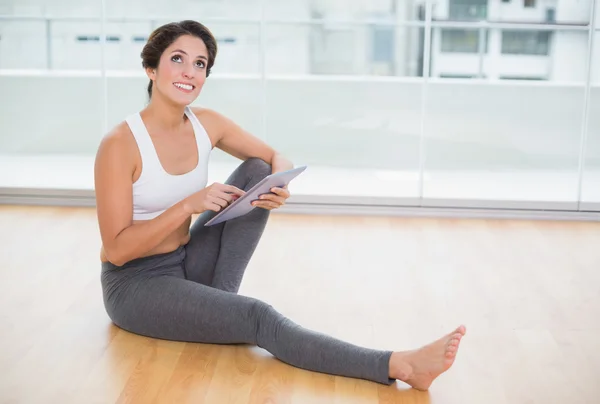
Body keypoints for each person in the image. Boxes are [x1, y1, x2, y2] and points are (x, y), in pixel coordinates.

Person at [94, 20, 466, 390]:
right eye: (178, 59)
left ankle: (219, 310)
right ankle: (399, 365)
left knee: (257, 170)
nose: (189, 72)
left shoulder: (206, 123)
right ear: (151, 68)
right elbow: (116, 250)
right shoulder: (121, 144)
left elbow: (275, 157)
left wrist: (278, 186)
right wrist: (186, 205)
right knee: (259, 316)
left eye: (200, 64)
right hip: (136, 285)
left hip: (185, 260)